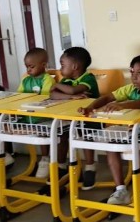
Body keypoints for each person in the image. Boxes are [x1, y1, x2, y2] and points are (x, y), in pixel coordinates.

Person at [79, 54, 140, 221]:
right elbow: (107, 98)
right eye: (132, 72)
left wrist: (122, 105)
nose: (134, 76)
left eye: (139, 73)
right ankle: (121, 190)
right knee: (112, 146)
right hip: (132, 130)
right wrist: (90, 107)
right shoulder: (129, 89)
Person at [49, 47, 99, 188]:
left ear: (75, 67)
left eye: (63, 65)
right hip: (70, 118)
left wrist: (58, 86)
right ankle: (61, 166)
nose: (60, 69)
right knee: (63, 135)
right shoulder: (67, 80)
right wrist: (69, 97)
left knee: (85, 136)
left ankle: (90, 167)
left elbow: (73, 90)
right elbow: (52, 95)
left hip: (90, 118)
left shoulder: (88, 78)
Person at [15, 47, 56, 179]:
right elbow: (18, 95)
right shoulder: (25, 80)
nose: (28, 70)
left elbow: (44, 97)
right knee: (3, 124)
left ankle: (45, 159)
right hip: (26, 115)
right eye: (26, 67)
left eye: (31, 66)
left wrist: (29, 97)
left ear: (43, 65)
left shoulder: (47, 79)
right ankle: (4, 155)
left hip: (41, 117)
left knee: (43, 131)